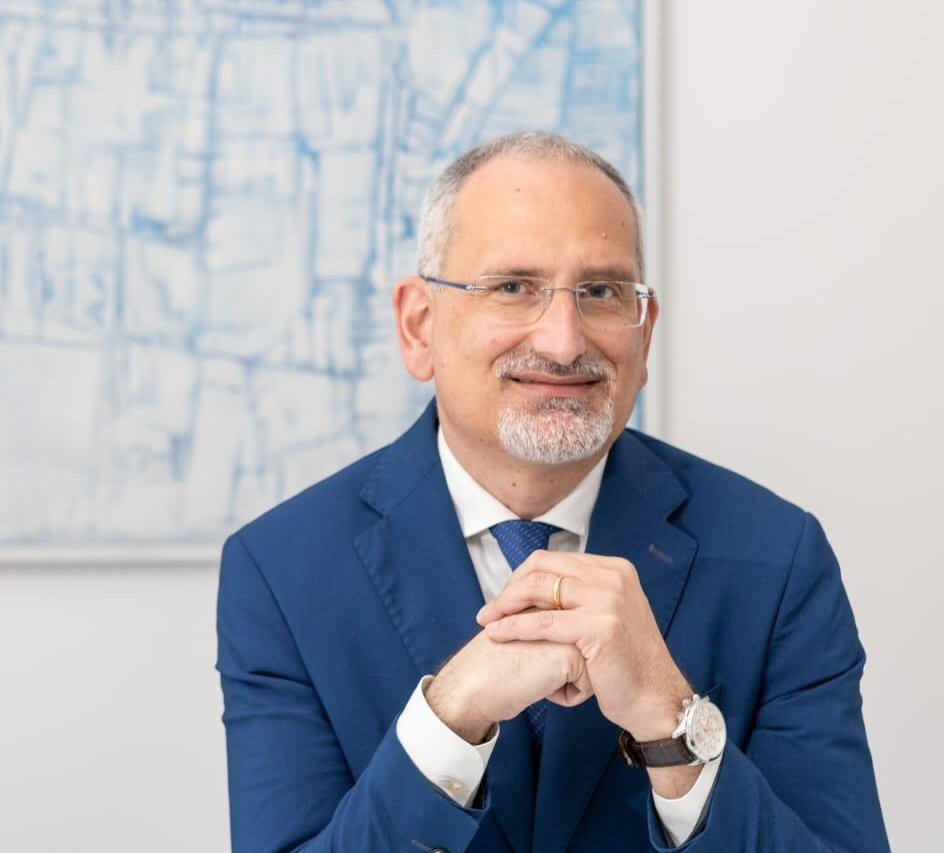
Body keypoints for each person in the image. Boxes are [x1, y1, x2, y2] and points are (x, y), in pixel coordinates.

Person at [214, 131, 888, 852]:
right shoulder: (281, 571)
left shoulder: (779, 558)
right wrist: (447, 720)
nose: (564, 342)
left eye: (601, 292)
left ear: (645, 334)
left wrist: (674, 725)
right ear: (419, 327)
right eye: (512, 287)